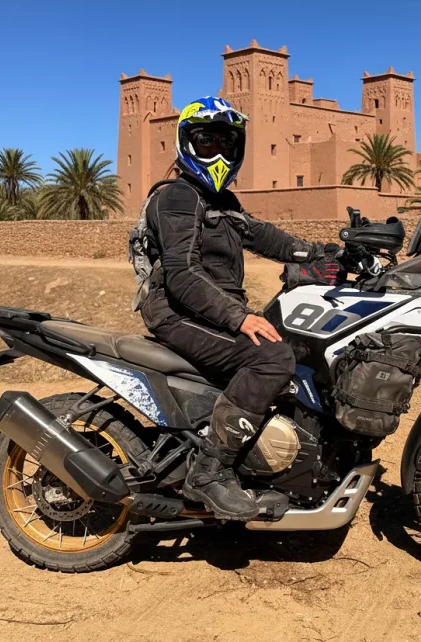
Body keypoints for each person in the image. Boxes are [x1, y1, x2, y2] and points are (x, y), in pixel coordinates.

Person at [138, 96, 338, 520]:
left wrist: (330, 254)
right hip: (177, 311)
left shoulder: (221, 203)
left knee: (302, 340)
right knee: (271, 356)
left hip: (213, 308)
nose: (218, 152)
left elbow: (267, 237)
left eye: (226, 144)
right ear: (186, 143)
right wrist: (238, 317)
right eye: (206, 142)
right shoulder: (177, 197)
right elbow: (183, 275)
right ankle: (209, 472)